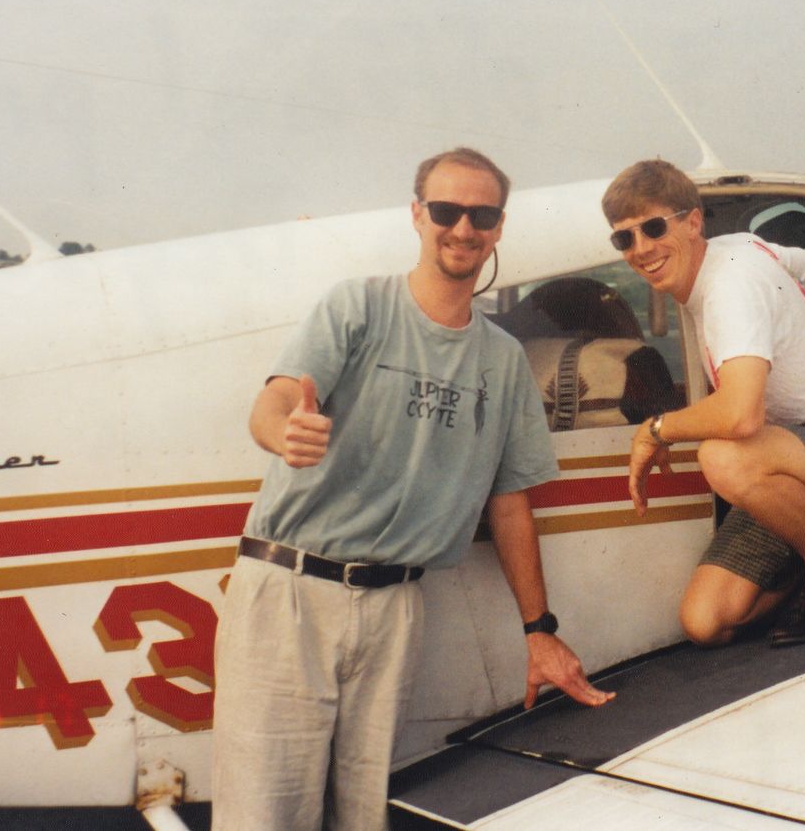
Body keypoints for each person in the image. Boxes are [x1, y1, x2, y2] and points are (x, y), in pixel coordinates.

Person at [213, 148, 613, 831]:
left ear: (499, 226)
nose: (463, 229)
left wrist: (540, 632)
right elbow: (274, 402)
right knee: (263, 816)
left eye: (481, 215)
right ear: (418, 215)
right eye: (446, 211)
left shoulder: (503, 359)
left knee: (363, 816)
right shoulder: (358, 306)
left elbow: (510, 502)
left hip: (395, 607)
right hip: (291, 593)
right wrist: (284, 433)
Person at [602, 159, 805, 648]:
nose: (640, 249)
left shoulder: (730, 286)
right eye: (625, 238)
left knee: (722, 456)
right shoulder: (744, 248)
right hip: (791, 466)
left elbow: (742, 415)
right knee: (706, 622)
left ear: (693, 222)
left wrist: (655, 430)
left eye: (654, 228)